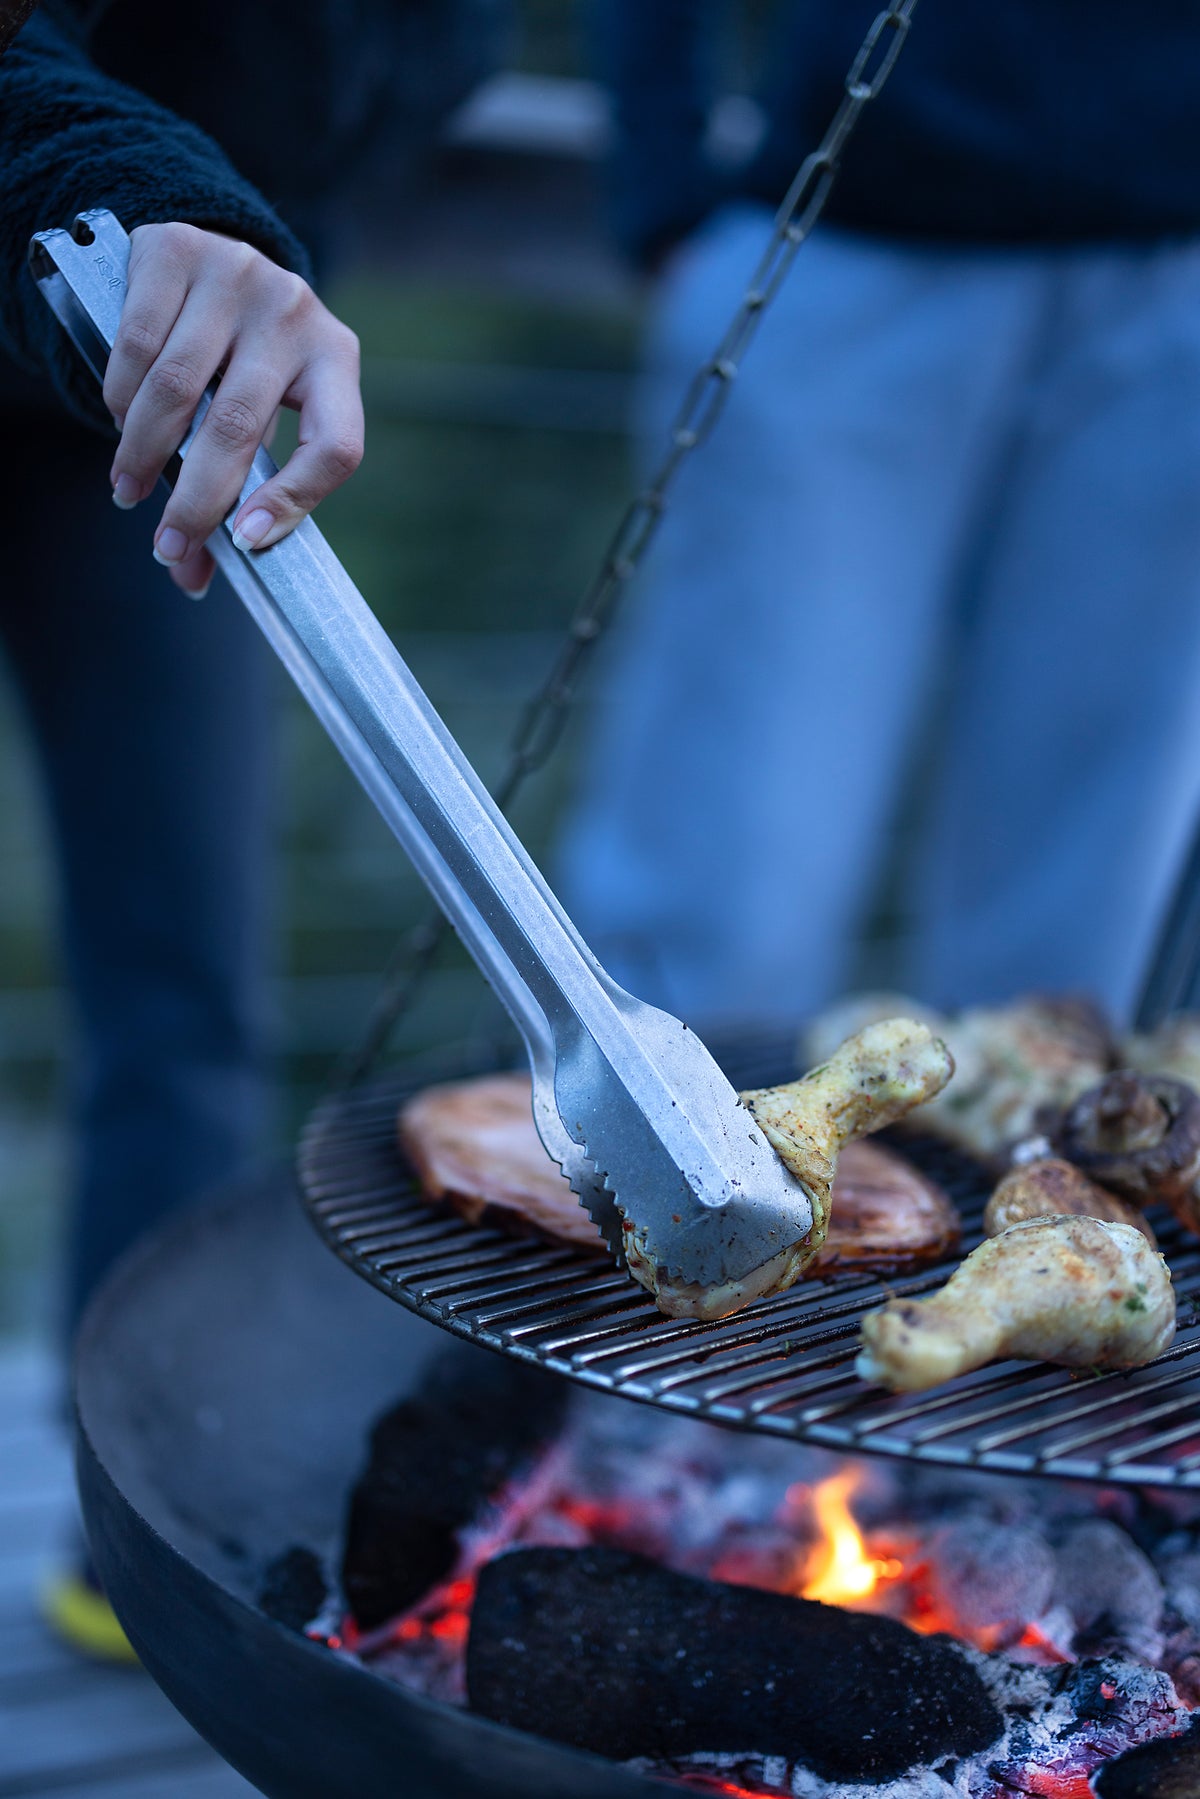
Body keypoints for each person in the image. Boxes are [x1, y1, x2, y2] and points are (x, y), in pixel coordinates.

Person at [0, 0, 500, 1655]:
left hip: (153, 415)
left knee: (188, 991)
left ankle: (133, 1527)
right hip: (107, 261)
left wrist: (259, 224)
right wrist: (158, 196)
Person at [560, 2, 1200, 1033]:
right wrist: (662, 186)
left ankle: (1043, 1194)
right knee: (722, 883)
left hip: (1181, 278)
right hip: (848, 241)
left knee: (1083, 955)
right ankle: (642, 1185)